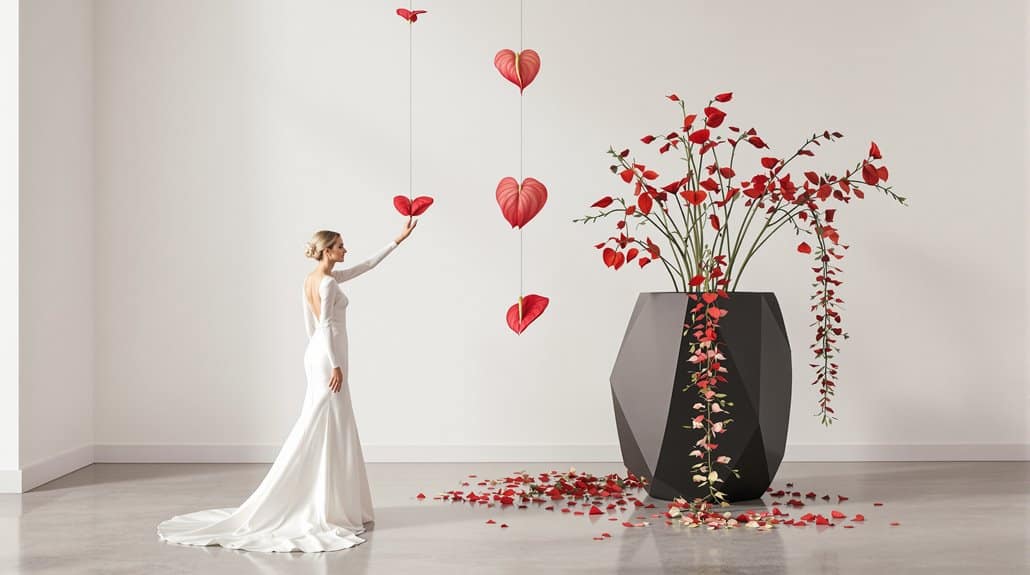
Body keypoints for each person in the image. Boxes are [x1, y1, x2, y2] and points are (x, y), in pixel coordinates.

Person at [157, 217, 418, 553]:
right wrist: (335, 364)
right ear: (327, 250)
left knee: (325, 422)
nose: (346, 250)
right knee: (325, 423)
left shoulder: (315, 279)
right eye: (340, 246)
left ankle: (327, 500)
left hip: (317, 354)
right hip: (329, 356)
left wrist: (398, 239)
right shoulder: (327, 284)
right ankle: (320, 504)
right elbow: (325, 325)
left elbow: (362, 270)